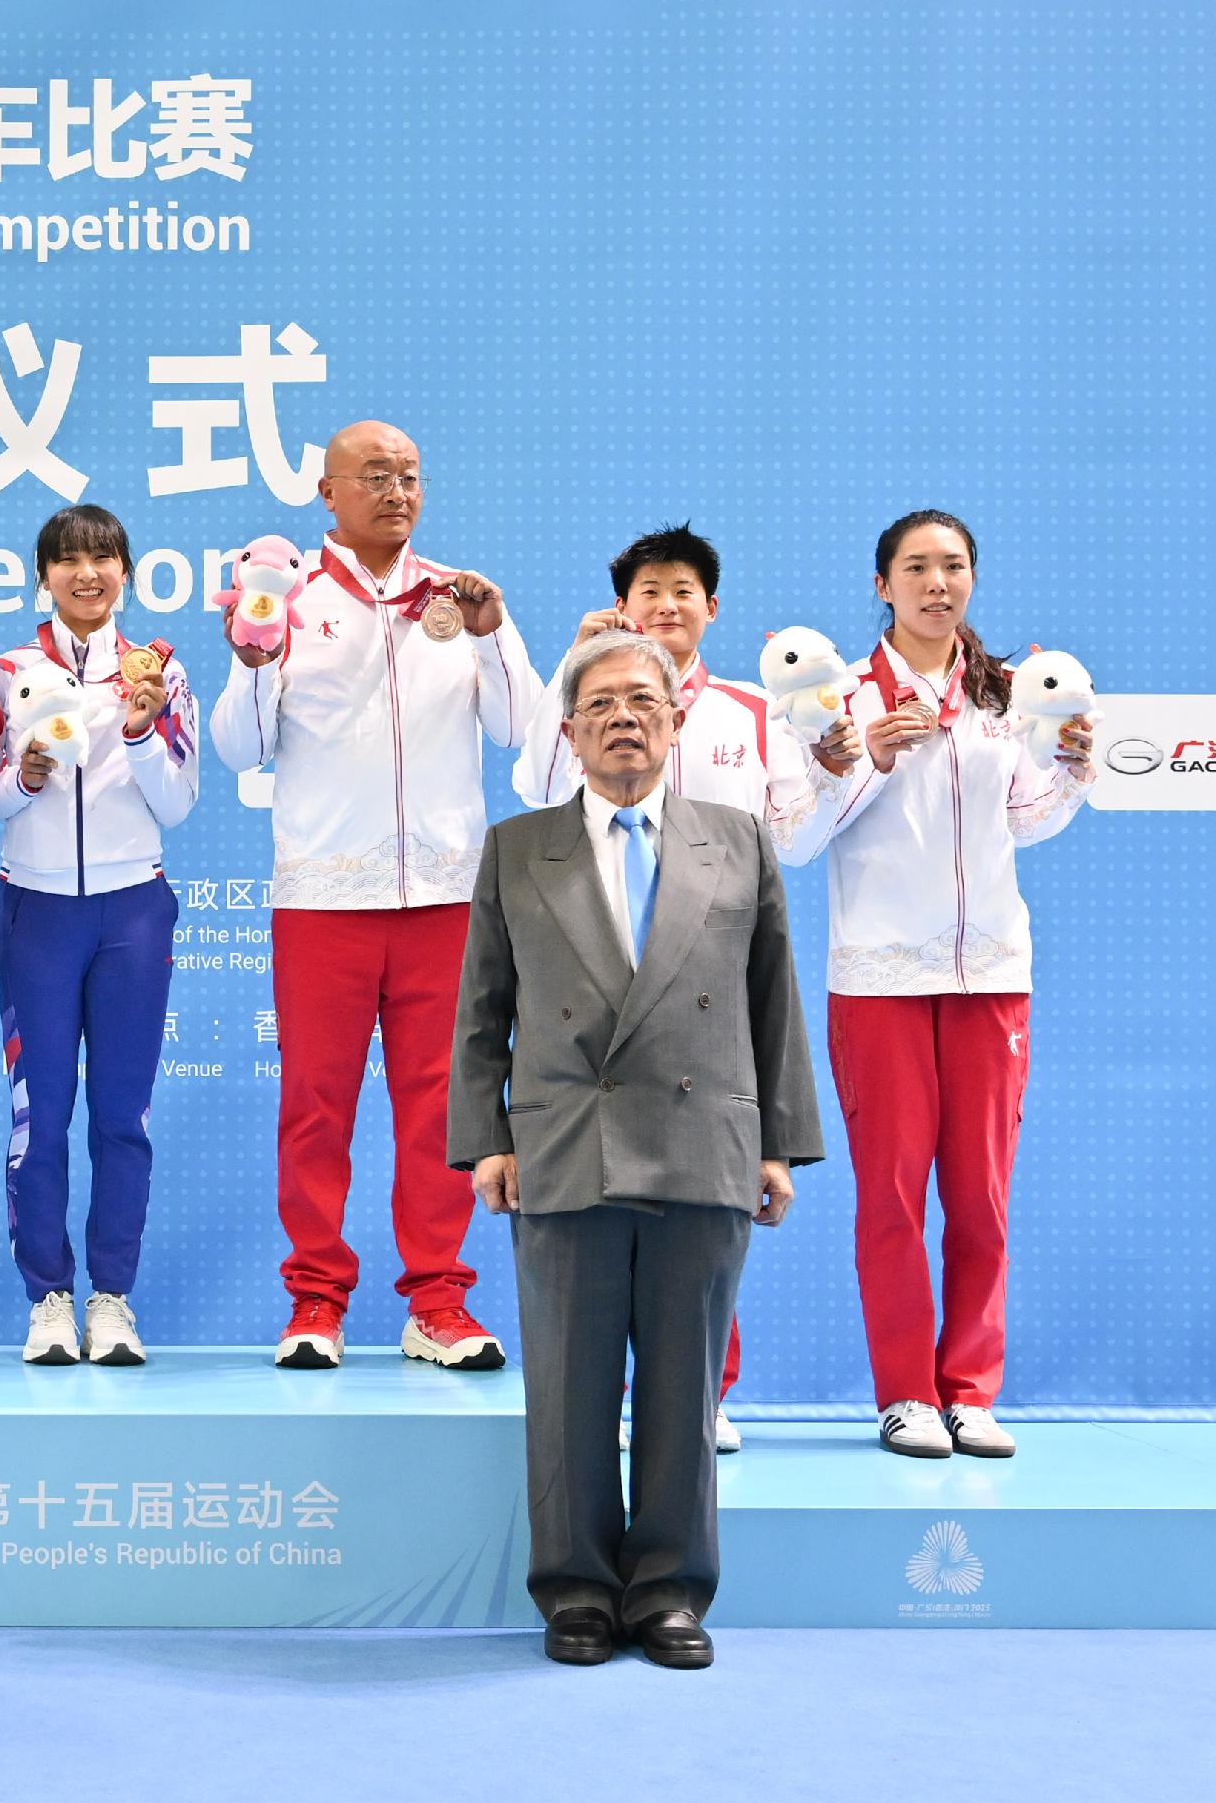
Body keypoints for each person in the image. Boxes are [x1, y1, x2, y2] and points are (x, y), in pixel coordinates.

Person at [453, 631, 819, 1673]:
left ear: (677, 722)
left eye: (642, 701)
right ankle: (573, 1589)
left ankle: (667, 1590)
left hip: (704, 1144)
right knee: (566, 1391)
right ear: (566, 731)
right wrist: (486, 1139)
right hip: (563, 1147)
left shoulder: (737, 843)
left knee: (680, 1386)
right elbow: (481, 1011)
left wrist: (780, 1143)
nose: (623, 717)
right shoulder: (518, 848)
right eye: (600, 703)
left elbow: (771, 1002)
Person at [209, 421, 542, 1370]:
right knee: (316, 1104)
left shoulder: (462, 597)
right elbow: (240, 747)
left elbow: (520, 726)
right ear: (328, 493)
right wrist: (256, 654)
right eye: (375, 476)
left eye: (410, 475)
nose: (397, 491)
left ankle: (436, 1301)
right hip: (323, 898)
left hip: (444, 897)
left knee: (441, 1108)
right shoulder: (285, 596)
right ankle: (315, 1302)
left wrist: (488, 640)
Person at [512, 524, 851, 1451]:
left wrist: (833, 769)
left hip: (707, 977)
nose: (668, 605)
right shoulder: (585, 698)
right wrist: (567, 675)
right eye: (649, 591)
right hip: (603, 965)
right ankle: (607, 1399)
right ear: (622, 606)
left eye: (685, 592)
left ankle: (702, 1393)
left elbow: (794, 835)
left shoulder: (750, 711)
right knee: (604, 1208)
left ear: (713, 609)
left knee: (705, 1203)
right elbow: (539, 785)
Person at [773, 510, 1097, 1462]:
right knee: (894, 1196)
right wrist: (866, 759)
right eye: (916, 567)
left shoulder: (1004, 697)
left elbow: (1024, 821)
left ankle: (971, 1390)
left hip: (992, 973)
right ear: (882, 584)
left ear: (973, 580)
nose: (936, 583)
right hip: (878, 980)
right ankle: (908, 1392)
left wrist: (1071, 765)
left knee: (983, 1195)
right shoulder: (836, 699)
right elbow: (794, 837)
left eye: (953, 566)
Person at [0, 502, 200, 1367]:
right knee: (41, 1115)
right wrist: (23, 780)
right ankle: (48, 1298)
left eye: (103, 558)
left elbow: (178, 803)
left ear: (126, 573)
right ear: (44, 576)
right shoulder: (3, 675)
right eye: (69, 559)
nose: (87, 573)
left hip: (131, 913)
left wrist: (141, 728)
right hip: (36, 911)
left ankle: (111, 1298)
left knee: (122, 1115)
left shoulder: (159, 671)